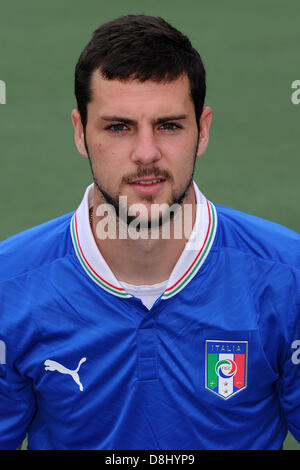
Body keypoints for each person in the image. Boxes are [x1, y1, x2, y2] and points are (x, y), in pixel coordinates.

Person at [0, 14, 299, 451]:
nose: (146, 154)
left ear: (203, 130)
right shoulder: (9, 285)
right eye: (118, 127)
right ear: (81, 133)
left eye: (169, 125)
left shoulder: (289, 276)